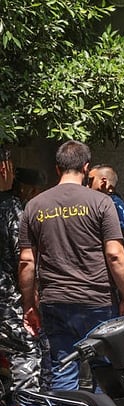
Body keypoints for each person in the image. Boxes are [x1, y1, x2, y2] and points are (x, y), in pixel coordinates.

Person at [19, 140, 124, 391]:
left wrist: (29, 304)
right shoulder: (102, 203)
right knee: (103, 367)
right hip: (97, 301)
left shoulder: (34, 206)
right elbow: (115, 254)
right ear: (85, 167)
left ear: (58, 169)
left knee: (61, 368)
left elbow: (27, 261)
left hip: (55, 302)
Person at [0, 148, 41, 391]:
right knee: (27, 354)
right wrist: (30, 304)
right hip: (7, 305)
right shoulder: (12, 210)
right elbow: (24, 260)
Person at [88, 164, 124, 297]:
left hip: (115, 277)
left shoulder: (109, 207)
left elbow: (115, 252)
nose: (86, 186)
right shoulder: (122, 206)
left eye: (90, 180)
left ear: (103, 182)